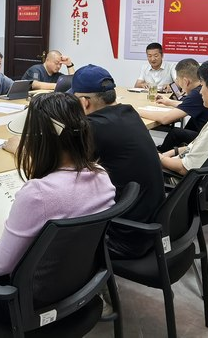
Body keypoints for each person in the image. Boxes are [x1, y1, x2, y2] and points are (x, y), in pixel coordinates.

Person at [0, 92, 115, 321]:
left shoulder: (38, 194)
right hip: (76, 284)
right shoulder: (102, 176)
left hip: (25, 305)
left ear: (38, 140)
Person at [69, 64, 165, 259]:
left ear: (84, 102)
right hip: (153, 224)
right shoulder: (129, 112)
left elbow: (61, 163)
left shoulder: (94, 127)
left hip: (125, 237)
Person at [138, 58, 208, 152]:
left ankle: (161, 154)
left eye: (177, 80)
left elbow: (165, 119)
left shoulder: (196, 94)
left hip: (204, 140)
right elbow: (190, 105)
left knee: (176, 133)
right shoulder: (201, 88)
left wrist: (137, 111)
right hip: (206, 133)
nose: (177, 82)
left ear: (186, 81)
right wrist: (169, 102)